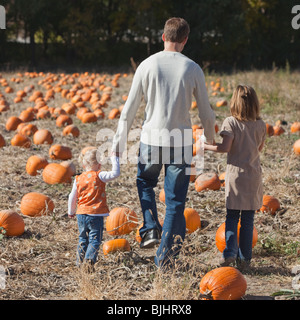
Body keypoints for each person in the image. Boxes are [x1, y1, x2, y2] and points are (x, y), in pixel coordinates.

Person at [112, 17, 216, 269]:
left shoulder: (146, 65)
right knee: (175, 201)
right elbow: (206, 112)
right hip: (180, 140)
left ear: (163, 37)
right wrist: (211, 139)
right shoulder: (192, 68)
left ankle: (149, 230)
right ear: (185, 40)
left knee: (145, 182)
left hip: (151, 138)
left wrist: (119, 141)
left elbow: (129, 110)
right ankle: (165, 259)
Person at [204, 84, 266, 270]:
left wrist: (205, 146)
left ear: (234, 103)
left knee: (232, 216)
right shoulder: (261, 125)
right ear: (255, 103)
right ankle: (245, 259)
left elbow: (225, 148)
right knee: (248, 220)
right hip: (254, 175)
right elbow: (259, 149)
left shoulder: (231, 122)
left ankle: (229, 253)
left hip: (236, 176)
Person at [68, 149, 120, 268]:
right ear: (99, 164)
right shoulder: (99, 175)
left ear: (83, 165)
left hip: (81, 214)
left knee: (82, 238)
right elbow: (115, 173)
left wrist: (71, 211)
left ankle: (79, 263)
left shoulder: (78, 178)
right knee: (95, 239)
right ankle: (89, 260)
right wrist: (115, 159)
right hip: (95, 214)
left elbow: (72, 196)